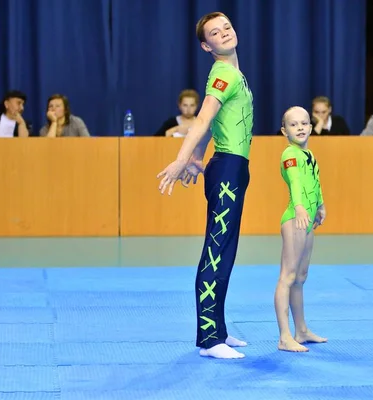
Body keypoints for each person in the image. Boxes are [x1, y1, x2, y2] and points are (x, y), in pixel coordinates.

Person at [157, 11, 253, 359]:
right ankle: (208, 339)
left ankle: (219, 330)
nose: (224, 33)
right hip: (227, 168)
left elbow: (214, 126)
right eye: (215, 32)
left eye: (227, 26)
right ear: (206, 45)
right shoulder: (223, 75)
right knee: (217, 250)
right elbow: (203, 118)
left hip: (232, 167)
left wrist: (198, 158)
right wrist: (182, 159)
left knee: (226, 251)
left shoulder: (231, 73)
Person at [274, 106, 328, 352]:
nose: (300, 128)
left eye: (304, 123)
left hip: (307, 218)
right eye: (294, 125)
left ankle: (302, 330)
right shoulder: (289, 154)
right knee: (288, 275)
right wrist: (299, 207)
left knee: (301, 277)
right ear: (284, 130)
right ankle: (285, 336)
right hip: (295, 218)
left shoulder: (310, 154)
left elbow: (314, 181)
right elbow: (296, 180)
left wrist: (321, 205)